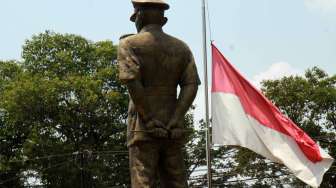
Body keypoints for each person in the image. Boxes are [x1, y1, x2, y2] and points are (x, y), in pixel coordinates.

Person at [117, 0, 200, 187]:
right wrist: (177, 118)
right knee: (176, 181)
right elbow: (191, 84)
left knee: (142, 179)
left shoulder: (128, 44)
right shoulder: (181, 47)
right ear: (164, 20)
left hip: (142, 126)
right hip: (173, 126)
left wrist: (149, 118)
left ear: (139, 15)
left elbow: (132, 81)